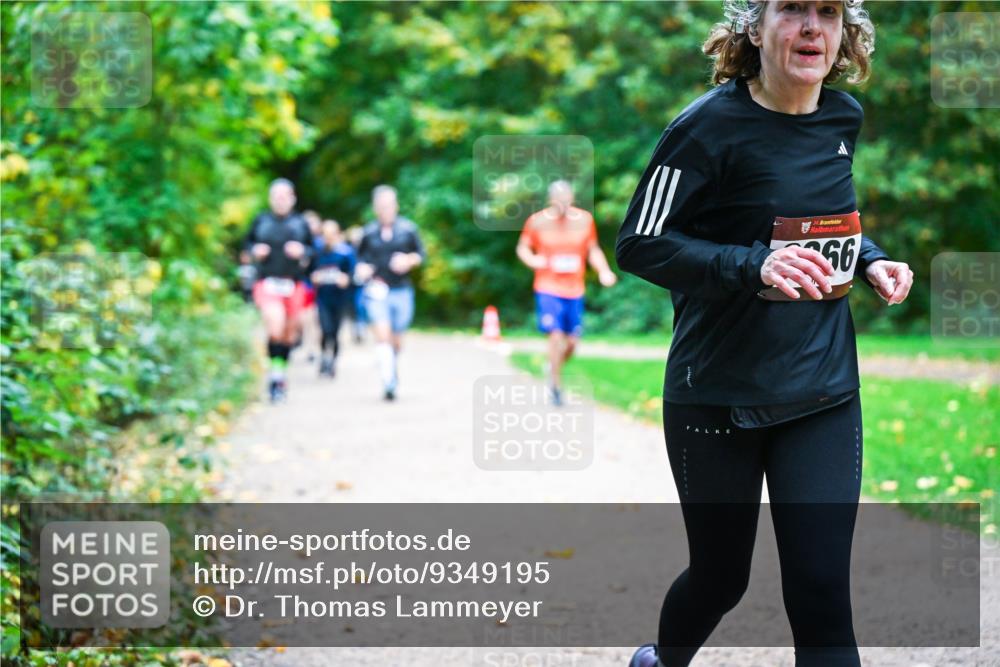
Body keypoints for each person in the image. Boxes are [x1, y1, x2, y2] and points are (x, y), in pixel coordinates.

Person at [616, 2, 913, 667]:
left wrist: (870, 260)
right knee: (722, 576)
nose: (812, 26)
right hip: (716, 391)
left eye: (828, 12)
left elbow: (828, 220)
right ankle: (661, 659)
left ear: (844, 33)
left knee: (820, 588)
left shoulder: (843, 117)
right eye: (793, 9)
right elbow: (638, 243)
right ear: (756, 27)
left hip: (822, 388)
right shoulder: (704, 128)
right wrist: (754, 265)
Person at [516, 180, 617, 406]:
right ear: (550, 200)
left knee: (572, 343)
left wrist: (604, 271)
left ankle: (552, 365)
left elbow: (593, 250)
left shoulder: (584, 221)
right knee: (555, 335)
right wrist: (534, 260)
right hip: (548, 287)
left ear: (572, 198)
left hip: (574, 289)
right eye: (558, 199)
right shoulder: (537, 221)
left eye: (566, 198)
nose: (563, 203)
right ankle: (555, 386)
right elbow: (522, 247)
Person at [244, 178, 314, 403]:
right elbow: (246, 248)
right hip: (268, 282)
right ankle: (274, 378)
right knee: (275, 326)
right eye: (276, 197)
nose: (280, 201)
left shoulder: (301, 223)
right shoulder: (261, 221)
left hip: (293, 284)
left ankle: (279, 375)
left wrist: (302, 251)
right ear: (271, 199)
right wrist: (255, 251)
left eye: (285, 196)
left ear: (292, 198)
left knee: (288, 335)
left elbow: (314, 253)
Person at [355, 185, 425, 401]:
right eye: (382, 206)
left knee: (396, 340)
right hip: (377, 291)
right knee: (382, 334)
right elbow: (358, 260)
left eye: (390, 205)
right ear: (376, 208)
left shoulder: (408, 229)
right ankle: (388, 381)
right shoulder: (367, 233)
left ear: (396, 205)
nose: (387, 209)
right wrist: (362, 269)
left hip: (401, 291)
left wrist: (409, 260)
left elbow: (421, 255)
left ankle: (390, 367)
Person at [310, 219, 355, 377]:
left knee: (335, 332)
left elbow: (353, 274)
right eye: (325, 234)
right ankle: (324, 356)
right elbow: (309, 272)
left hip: (340, 299)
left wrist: (346, 279)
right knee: (325, 329)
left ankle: (333, 361)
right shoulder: (318, 252)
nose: (328, 238)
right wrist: (313, 278)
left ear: (338, 234)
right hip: (323, 298)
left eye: (331, 234)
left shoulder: (346, 253)